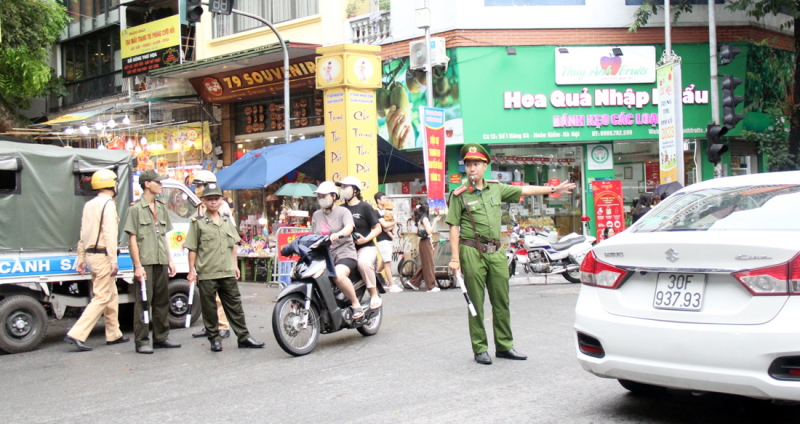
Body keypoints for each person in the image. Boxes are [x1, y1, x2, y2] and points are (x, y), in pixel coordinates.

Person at [446, 143, 575, 365]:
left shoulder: (496, 188)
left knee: (502, 300)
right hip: (471, 251)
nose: (472, 168)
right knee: (475, 302)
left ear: (485, 166)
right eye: (468, 165)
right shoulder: (459, 195)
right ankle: (480, 348)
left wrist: (553, 189)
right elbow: (453, 228)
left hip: (496, 251)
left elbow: (525, 190)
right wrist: (456, 259)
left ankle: (504, 346)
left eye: (476, 164)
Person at [184, 183, 265, 352]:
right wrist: (191, 270)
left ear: (221, 200)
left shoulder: (227, 220)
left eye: (216, 198)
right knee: (209, 308)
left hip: (227, 270)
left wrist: (235, 265)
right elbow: (192, 248)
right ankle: (214, 338)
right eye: (209, 199)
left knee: (235, 306)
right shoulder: (198, 223)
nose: (213, 202)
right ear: (203, 201)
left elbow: (233, 245)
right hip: (207, 272)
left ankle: (244, 337)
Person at [64, 169, 129, 351]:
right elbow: (109, 233)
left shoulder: (89, 205)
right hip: (103, 256)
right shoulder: (108, 204)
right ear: (111, 185)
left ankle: (113, 334)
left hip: (92, 256)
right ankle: (76, 333)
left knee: (111, 294)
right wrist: (113, 260)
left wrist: (81, 259)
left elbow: (83, 233)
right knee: (102, 297)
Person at [124, 170, 180, 354]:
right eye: (158, 182)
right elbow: (132, 239)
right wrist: (138, 266)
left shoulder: (161, 207)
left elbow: (163, 236)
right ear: (147, 184)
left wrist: (170, 259)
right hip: (145, 261)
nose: (161, 185)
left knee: (162, 301)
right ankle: (141, 340)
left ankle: (161, 337)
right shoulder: (135, 209)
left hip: (161, 260)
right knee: (143, 302)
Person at [311, 181, 365, 319]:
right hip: (324, 256)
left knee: (338, 275)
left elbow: (349, 227)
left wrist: (340, 234)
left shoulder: (343, 211)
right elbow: (312, 235)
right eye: (319, 196)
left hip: (344, 253)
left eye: (324, 196)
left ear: (334, 196)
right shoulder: (316, 215)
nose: (321, 199)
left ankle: (356, 304)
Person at [189, 170, 231, 340]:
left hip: (218, 256)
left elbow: (229, 231)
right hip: (205, 257)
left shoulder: (221, 206)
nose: (197, 189)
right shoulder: (200, 205)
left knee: (219, 296)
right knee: (207, 296)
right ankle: (210, 326)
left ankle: (223, 326)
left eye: (199, 185)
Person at [338, 176, 382, 310]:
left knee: (363, 263)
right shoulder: (340, 209)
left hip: (365, 247)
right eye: (342, 187)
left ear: (355, 190)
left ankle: (374, 294)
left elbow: (378, 228)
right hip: (345, 250)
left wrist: (365, 239)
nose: (343, 190)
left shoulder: (365, 207)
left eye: (346, 187)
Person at [407, 203, 441, 292]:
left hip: (424, 242)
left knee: (426, 264)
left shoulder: (420, 218)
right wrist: (435, 221)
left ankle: (413, 282)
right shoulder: (425, 219)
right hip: (425, 242)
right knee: (428, 264)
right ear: (426, 210)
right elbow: (429, 231)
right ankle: (430, 286)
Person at [375, 193, 401, 292]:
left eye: (386, 198)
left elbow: (389, 226)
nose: (385, 200)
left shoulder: (387, 211)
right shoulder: (376, 212)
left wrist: (391, 225)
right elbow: (385, 225)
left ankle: (374, 275)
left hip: (388, 239)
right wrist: (394, 222)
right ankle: (392, 285)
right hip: (382, 239)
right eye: (383, 198)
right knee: (388, 262)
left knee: (385, 260)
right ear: (378, 200)